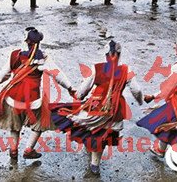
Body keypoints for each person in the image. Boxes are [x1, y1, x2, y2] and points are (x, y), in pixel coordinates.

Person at [51, 40, 143, 175]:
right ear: (119, 54)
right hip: (114, 109)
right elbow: (137, 90)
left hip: (96, 107)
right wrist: (140, 101)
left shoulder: (97, 68)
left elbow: (84, 89)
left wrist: (78, 95)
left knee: (92, 129)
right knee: (103, 135)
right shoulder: (126, 70)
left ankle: (93, 158)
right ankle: (95, 164)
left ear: (106, 55)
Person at [0, 27, 75, 160]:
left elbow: (3, 75)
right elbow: (57, 74)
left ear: (26, 41)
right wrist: (70, 88)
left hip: (13, 98)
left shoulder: (15, 55)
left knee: (15, 126)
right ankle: (28, 149)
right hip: (33, 100)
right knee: (41, 122)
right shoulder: (43, 57)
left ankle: (13, 150)